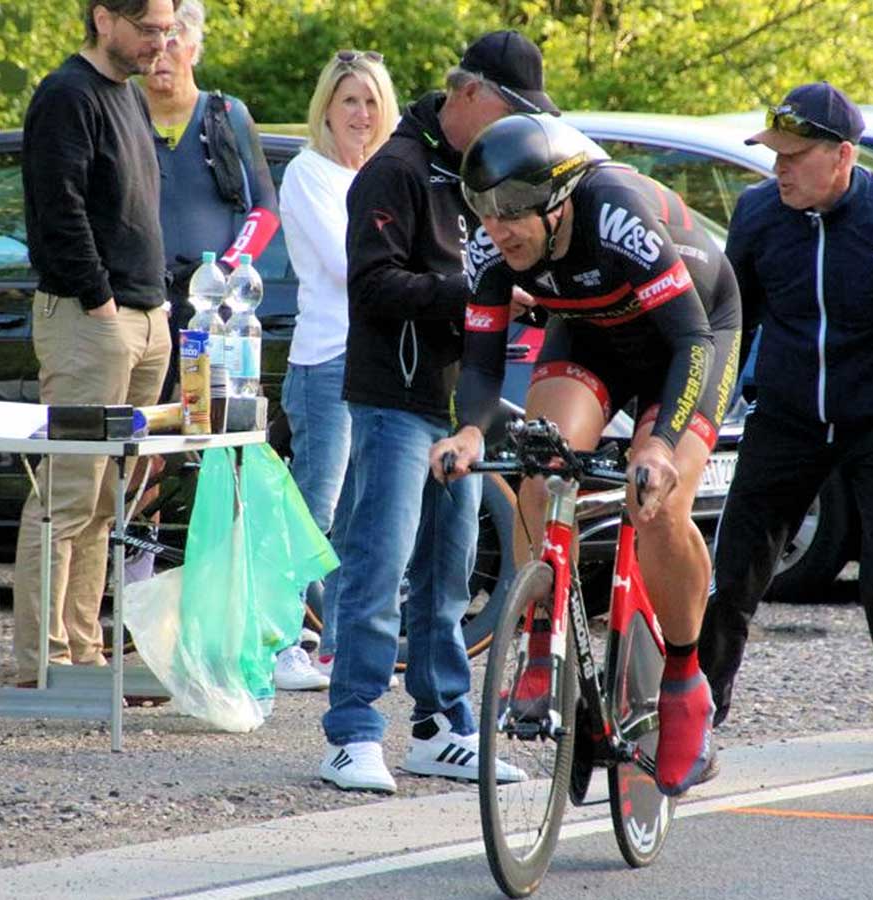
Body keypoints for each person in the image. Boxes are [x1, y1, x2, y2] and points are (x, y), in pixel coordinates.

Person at [432, 113, 743, 797]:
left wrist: (660, 446)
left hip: (689, 335)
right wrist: (470, 433)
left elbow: (690, 339)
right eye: (485, 212)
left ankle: (687, 680)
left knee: (655, 503)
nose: (498, 229)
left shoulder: (617, 219)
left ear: (560, 201)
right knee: (540, 464)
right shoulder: (491, 246)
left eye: (515, 213)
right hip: (594, 330)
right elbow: (482, 366)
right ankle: (542, 636)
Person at [697, 82, 873, 815]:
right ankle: (696, 726)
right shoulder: (758, 215)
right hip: (786, 417)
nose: (777, 170)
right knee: (734, 571)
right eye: (772, 155)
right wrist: (701, 418)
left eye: (792, 156)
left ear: (842, 156)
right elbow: (733, 321)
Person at [317, 30, 557, 793]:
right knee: (376, 569)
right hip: (394, 399)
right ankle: (351, 732)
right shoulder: (394, 169)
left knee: (449, 577)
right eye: (509, 109)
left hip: (463, 406)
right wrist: (478, 297)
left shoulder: (482, 169)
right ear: (468, 93)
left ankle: (439, 727)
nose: (511, 127)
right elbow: (373, 286)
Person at [12, 0, 179, 687]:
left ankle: (82, 649)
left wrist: (155, 302)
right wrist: (103, 301)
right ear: (104, 17)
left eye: (168, 32)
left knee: (110, 498)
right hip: (92, 320)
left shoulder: (129, 99)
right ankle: (41, 661)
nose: (159, 45)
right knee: (68, 491)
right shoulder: (65, 95)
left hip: (146, 318)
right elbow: (60, 209)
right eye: (148, 30)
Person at [276, 51, 399, 691]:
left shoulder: (384, 175)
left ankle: (339, 647)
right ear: (326, 105)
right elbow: (347, 265)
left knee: (360, 517)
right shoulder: (308, 173)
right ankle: (278, 640)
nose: (361, 113)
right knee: (312, 510)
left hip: (377, 364)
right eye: (350, 99)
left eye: (372, 101)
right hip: (326, 361)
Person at [143, 0, 280, 401]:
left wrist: (225, 268)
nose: (162, 55)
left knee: (209, 421)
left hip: (213, 304)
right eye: (155, 43)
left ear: (193, 49)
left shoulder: (227, 114)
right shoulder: (124, 112)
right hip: (144, 300)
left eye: (175, 43)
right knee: (139, 427)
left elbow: (267, 208)